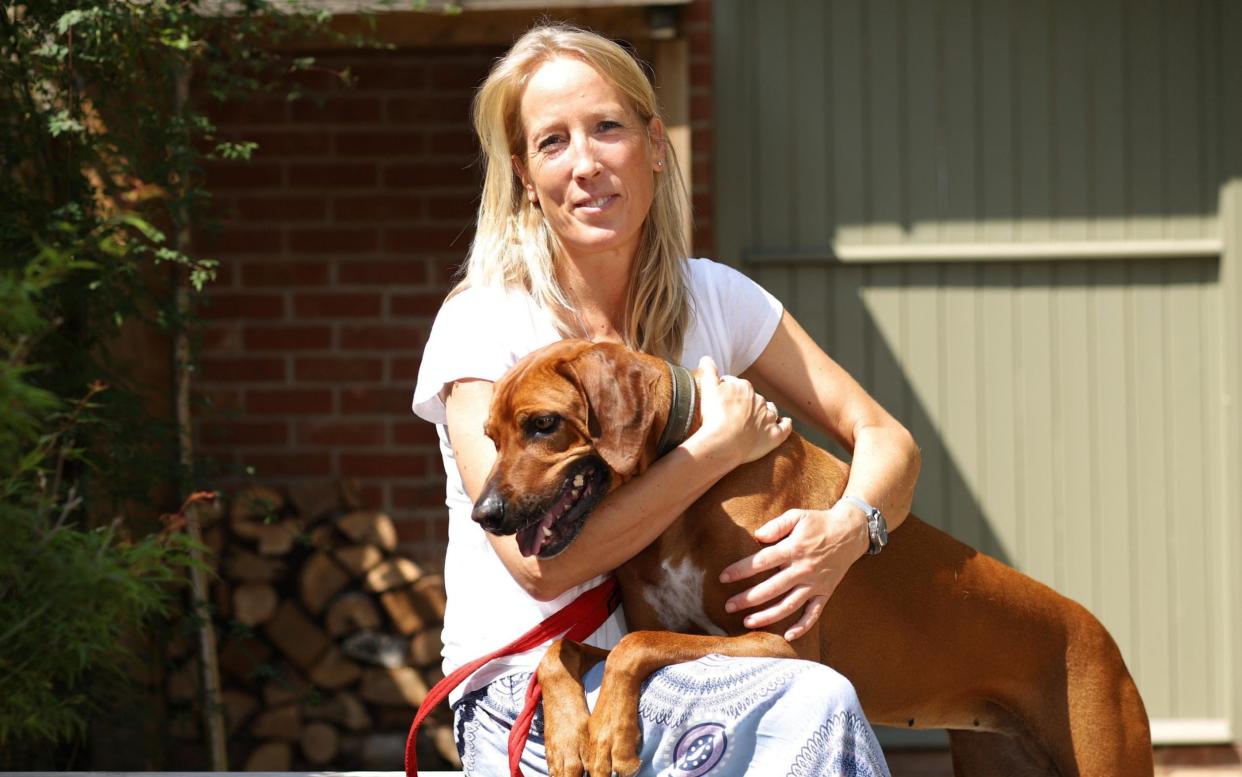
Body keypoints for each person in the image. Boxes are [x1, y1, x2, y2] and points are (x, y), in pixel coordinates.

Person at [412, 23, 920, 777]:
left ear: (654, 144)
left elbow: (885, 437)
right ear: (524, 173)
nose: (585, 164)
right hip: (522, 688)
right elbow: (538, 567)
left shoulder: (714, 298)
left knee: (812, 698)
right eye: (553, 143)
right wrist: (713, 448)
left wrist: (846, 529)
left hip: (666, 668)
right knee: (811, 702)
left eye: (607, 128)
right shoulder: (482, 321)